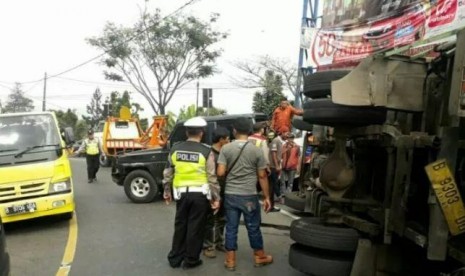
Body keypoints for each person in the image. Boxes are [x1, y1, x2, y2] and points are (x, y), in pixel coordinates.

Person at [163, 117, 221, 270]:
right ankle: (190, 260)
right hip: (199, 195)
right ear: (201, 133)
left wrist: (167, 191)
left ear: (186, 132)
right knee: (195, 227)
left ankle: (175, 258)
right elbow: (211, 177)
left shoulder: (175, 149)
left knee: (180, 225)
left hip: (181, 194)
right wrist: (216, 198)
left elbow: (168, 172)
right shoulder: (206, 151)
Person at [217, 117, 273, 271]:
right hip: (249, 195)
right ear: (249, 131)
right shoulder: (256, 150)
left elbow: (220, 172)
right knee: (253, 226)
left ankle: (230, 260)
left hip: (230, 194)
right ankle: (259, 256)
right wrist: (267, 197)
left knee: (231, 227)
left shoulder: (226, 148)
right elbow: (262, 176)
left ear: (234, 131)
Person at [203, 127, 230, 258]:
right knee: (209, 219)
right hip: (211, 191)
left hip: (224, 190)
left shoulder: (226, 153)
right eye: (227, 139)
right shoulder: (208, 153)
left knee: (222, 218)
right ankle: (208, 245)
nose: (229, 141)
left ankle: (219, 242)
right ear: (221, 140)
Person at [269, 131, 288, 210]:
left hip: (276, 165)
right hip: (273, 166)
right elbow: (273, 153)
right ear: (281, 133)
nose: (287, 135)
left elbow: (278, 153)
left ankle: (271, 204)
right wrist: (276, 165)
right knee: (274, 183)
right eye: (286, 133)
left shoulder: (280, 142)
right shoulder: (276, 140)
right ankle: (279, 197)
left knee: (273, 185)